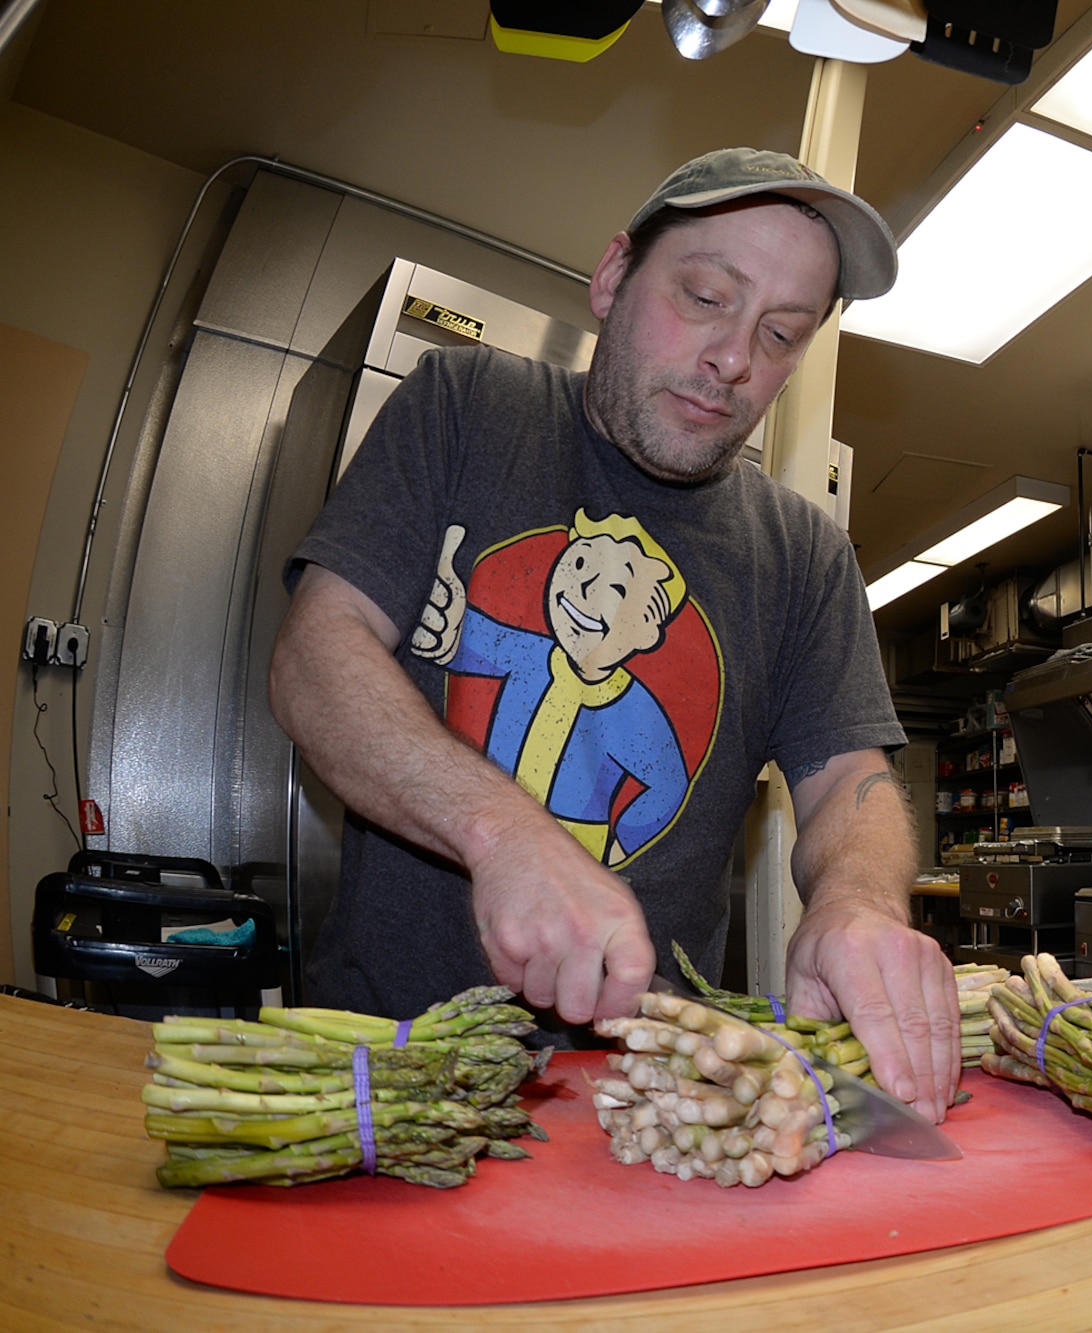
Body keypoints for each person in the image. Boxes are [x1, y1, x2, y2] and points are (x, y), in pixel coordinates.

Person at [267, 147, 962, 1121]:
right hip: (391, 1062)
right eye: (707, 296)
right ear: (610, 278)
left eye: (780, 333)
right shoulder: (463, 405)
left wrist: (857, 903)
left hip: (653, 1094)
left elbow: (853, 784)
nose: (734, 360)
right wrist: (504, 832)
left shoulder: (804, 555)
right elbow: (315, 654)